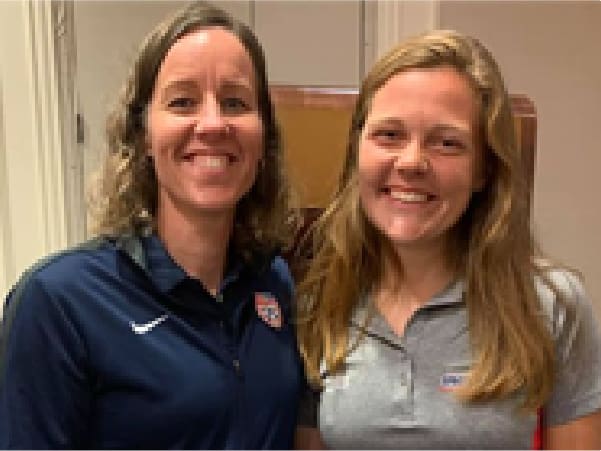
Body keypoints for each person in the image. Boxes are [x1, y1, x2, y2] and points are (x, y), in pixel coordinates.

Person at [0, 1, 303, 448]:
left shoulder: (272, 282)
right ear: (142, 134)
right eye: (182, 102)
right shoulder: (59, 303)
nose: (213, 123)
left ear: (264, 138)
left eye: (236, 102)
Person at [294, 29, 601, 449]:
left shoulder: (551, 304)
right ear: (357, 152)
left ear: (483, 171)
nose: (412, 162)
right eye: (389, 134)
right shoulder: (320, 302)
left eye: (447, 143)